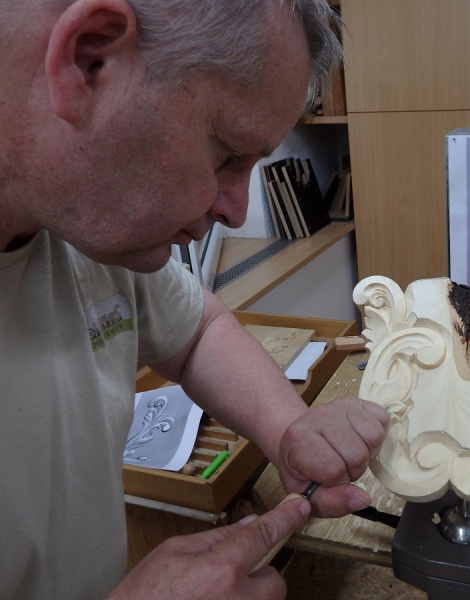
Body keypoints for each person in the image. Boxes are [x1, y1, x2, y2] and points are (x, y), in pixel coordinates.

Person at [0, 1, 389, 598]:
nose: (236, 209)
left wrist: (289, 429)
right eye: (228, 154)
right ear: (89, 60)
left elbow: (196, 329)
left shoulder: (90, 229)